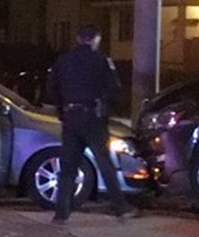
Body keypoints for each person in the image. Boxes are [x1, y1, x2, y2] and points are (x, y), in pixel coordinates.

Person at [45, 23, 137, 223]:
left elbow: (51, 89)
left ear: (78, 39)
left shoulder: (63, 61)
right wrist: (104, 110)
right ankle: (121, 207)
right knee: (105, 164)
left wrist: (63, 111)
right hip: (93, 119)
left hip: (70, 119)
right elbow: (115, 90)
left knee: (68, 168)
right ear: (96, 39)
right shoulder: (102, 61)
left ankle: (61, 213)